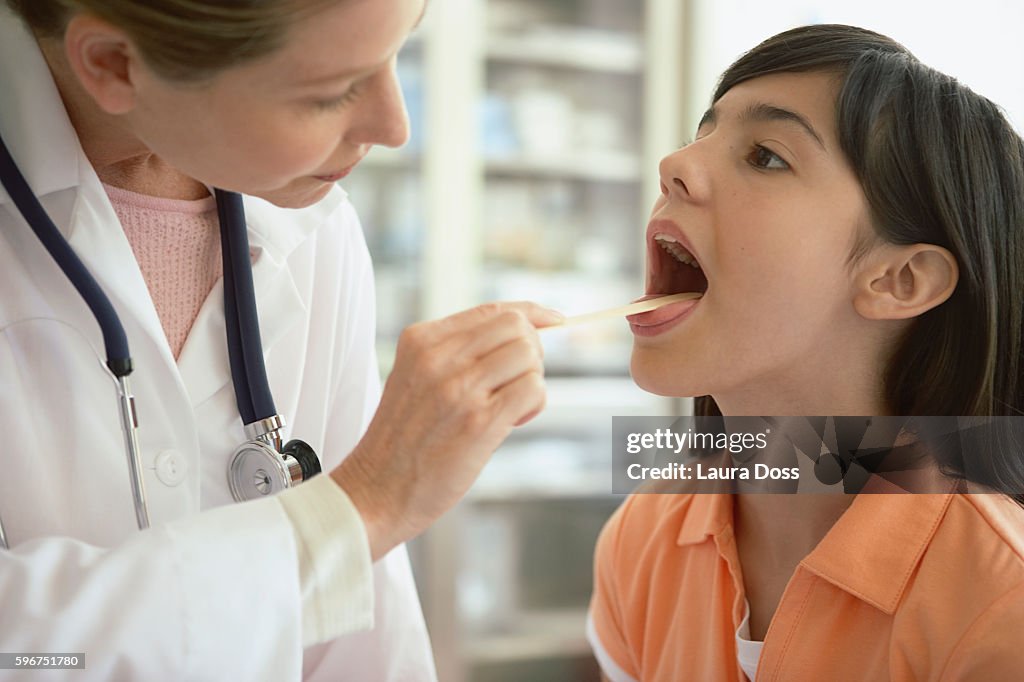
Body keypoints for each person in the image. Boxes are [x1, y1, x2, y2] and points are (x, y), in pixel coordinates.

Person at [0, 0, 562, 679]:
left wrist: (354, 524)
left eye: (397, 54)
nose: (395, 127)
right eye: (330, 92)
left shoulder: (312, 225)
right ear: (114, 65)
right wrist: (361, 506)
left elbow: (362, 640)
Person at [587, 24, 1024, 682]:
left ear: (898, 281)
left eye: (765, 156)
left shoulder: (1002, 611)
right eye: (701, 136)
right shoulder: (641, 539)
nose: (674, 165)